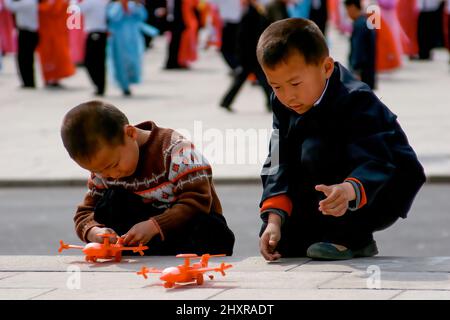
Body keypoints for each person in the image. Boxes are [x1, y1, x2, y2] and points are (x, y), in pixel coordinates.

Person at [256, 18, 425, 261]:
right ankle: (320, 228)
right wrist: (274, 220)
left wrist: (348, 190)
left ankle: (354, 237)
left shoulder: (356, 99)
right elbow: (278, 159)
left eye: (295, 83)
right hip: (328, 187)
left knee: (315, 149)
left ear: (326, 67)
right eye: (276, 86)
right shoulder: (282, 103)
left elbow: (377, 159)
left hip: (380, 184)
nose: (288, 96)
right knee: (285, 240)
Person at [60, 100, 235, 256]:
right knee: (109, 202)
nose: (111, 175)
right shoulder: (103, 171)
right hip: (139, 234)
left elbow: (197, 202)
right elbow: (85, 212)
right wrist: (95, 232)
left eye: (113, 165)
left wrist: (154, 226)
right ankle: (131, 248)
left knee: (211, 230)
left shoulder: (177, 151)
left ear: (130, 134)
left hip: (184, 226)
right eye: (99, 171)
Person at [219, 0, 272, 112]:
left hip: (250, 55)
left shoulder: (253, 12)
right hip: (251, 55)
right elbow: (243, 38)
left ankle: (226, 101)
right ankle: (270, 103)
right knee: (262, 80)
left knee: (243, 80)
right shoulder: (250, 14)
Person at [106, 0, 149, 96]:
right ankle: (124, 85)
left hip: (133, 38)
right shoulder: (114, 6)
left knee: (133, 60)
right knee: (120, 61)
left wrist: (138, 6)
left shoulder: (134, 4)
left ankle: (131, 79)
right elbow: (112, 17)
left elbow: (143, 17)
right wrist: (122, 6)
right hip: (119, 38)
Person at [76, 0, 109, 96]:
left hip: (94, 33)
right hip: (102, 34)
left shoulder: (91, 2)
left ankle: (99, 86)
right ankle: (100, 86)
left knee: (91, 62)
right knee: (100, 62)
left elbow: (75, 10)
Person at [4, 0, 39, 88]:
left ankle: (29, 82)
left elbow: (10, 6)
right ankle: (28, 81)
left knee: (25, 58)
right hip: (27, 32)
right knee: (26, 58)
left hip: (28, 32)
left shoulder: (28, 2)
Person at [345, 0, 376, 89]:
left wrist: (356, 70)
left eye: (347, 10)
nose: (347, 14)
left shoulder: (360, 25)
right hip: (368, 71)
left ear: (353, 7)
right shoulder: (365, 22)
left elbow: (358, 50)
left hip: (362, 73)